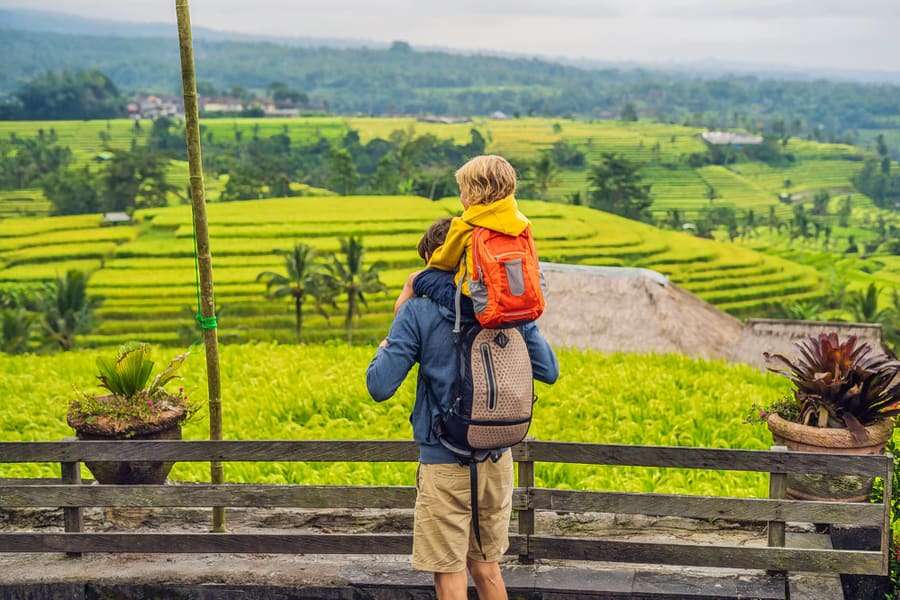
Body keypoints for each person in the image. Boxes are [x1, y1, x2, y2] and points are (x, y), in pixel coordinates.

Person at [367, 218, 559, 600]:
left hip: (443, 459)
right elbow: (549, 371)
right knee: (487, 569)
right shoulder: (506, 310)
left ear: (436, 262)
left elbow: (379, 385)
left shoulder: (418, 312)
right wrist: (523, 320)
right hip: (496, 458)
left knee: (449, 573)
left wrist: (399, 316)